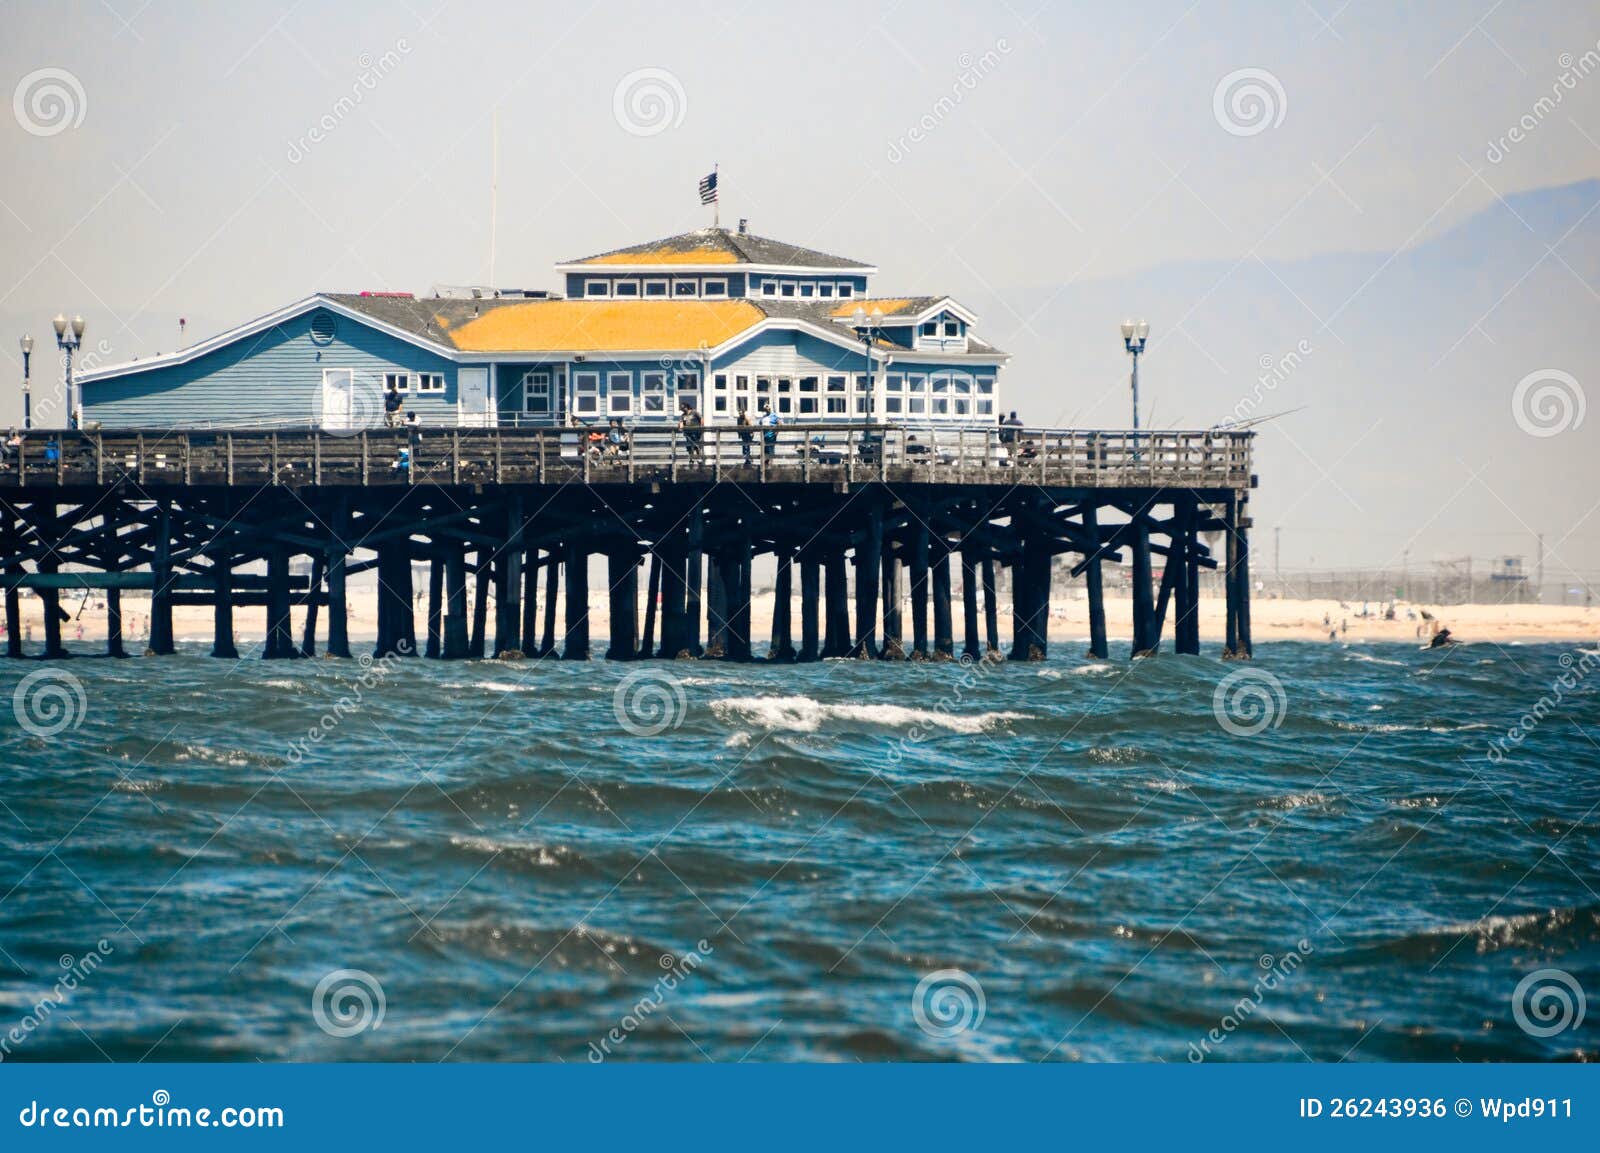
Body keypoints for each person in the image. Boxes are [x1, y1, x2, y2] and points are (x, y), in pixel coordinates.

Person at [678, 399, 705, 464]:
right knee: (689, 446)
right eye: (681, 409)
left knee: (697, 445)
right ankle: (691, 459)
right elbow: (681, 422)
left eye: (682, 408)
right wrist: (681, 427)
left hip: (696, 432)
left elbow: (701, 419)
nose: (682, 410)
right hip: (688, 432)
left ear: (686, 407)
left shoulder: (694, 412)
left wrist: (701, 427)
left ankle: (699, 458)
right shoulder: (683, 415)